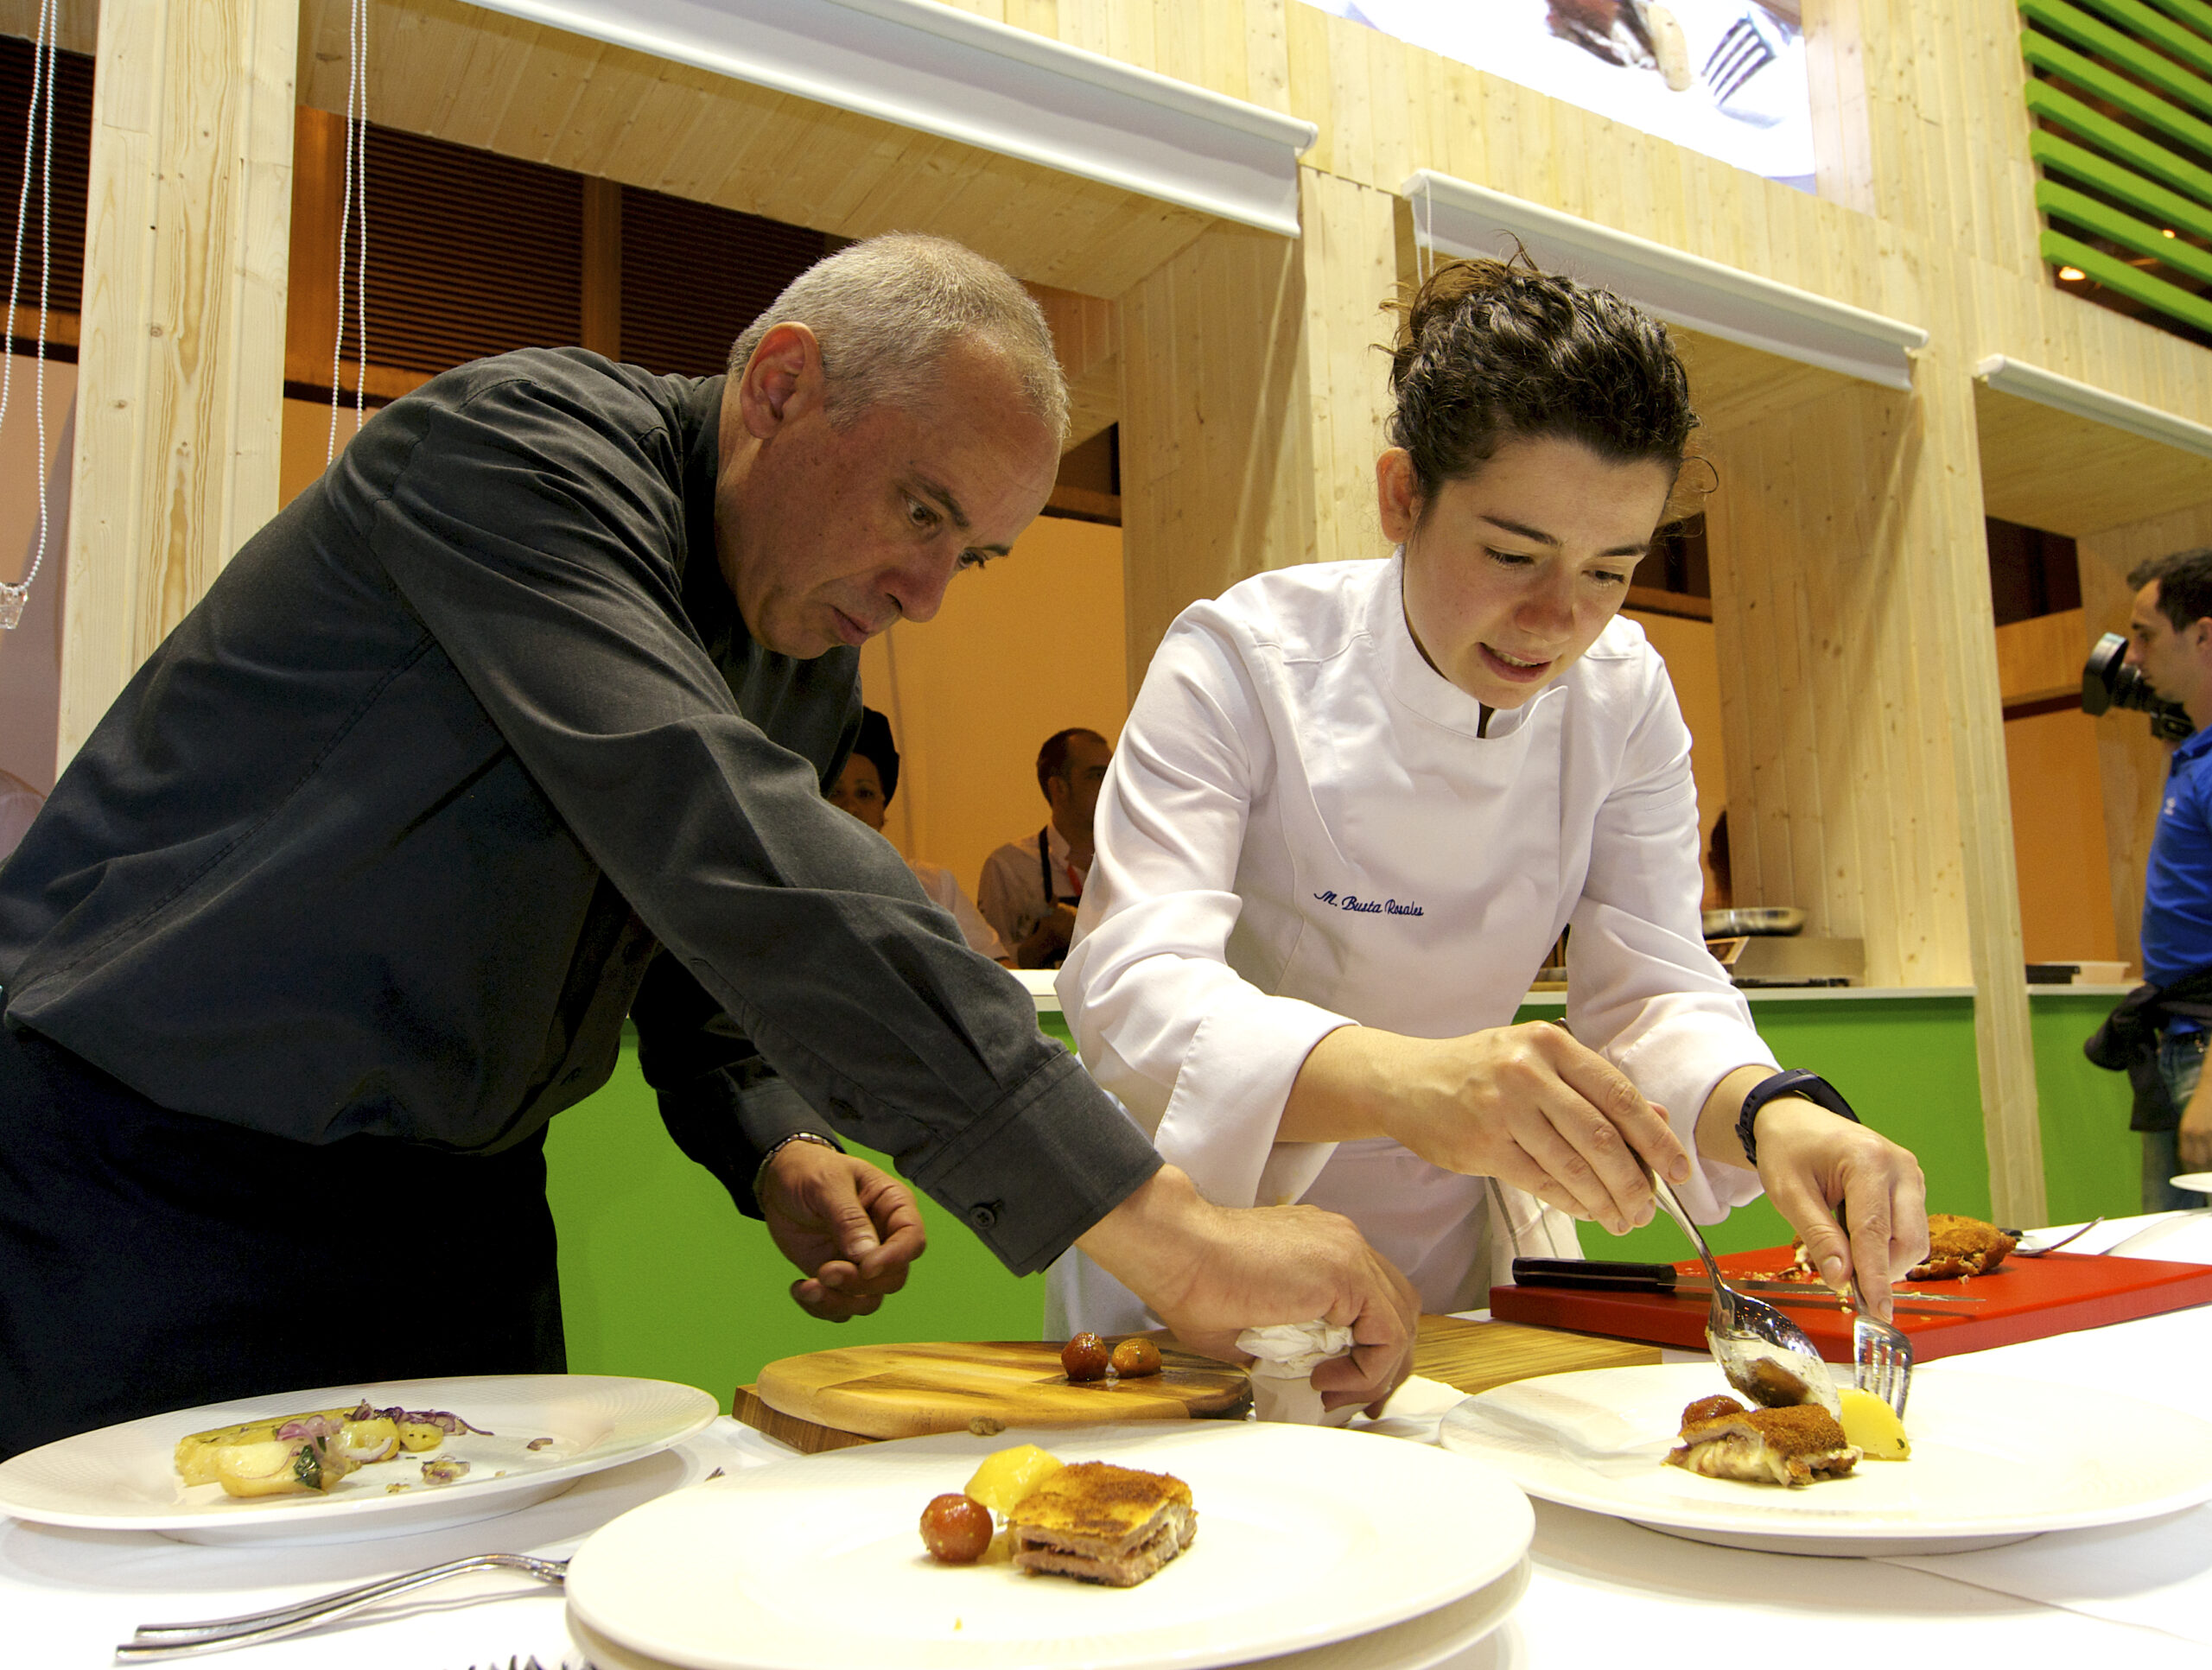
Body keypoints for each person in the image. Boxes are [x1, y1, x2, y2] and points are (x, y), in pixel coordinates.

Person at [0, 234, 1417, 1459]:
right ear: (781, 384)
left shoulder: (802, 657)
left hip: (461, 1205)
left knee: (484, 1606)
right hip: (143, 1163)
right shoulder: (513, 454)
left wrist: (773, 1132)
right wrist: (1171, 1233)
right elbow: (711, 826)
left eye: (969, 556)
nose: (926, 594)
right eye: (924, 512)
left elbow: (694, 947)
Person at [1052, 254, 1929, 1338]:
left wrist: (1770, 1110)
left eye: (1610, 570)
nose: (1557, 619)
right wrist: (1409, 1083)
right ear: (1401, 495)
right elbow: (1134, 991)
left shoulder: (1622, 695)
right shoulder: (1239, 662)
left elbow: (1653, 987)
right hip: (1209, 1239)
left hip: (1457, 1254)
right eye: (1514, 553)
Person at [2088, 549, 2212, 1210]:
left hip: (2206, 1049)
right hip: (2177, 1041)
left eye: (2146, 633)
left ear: (2203, 636)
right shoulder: (2194, 752)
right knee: (2171, 1264)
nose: (2131, 655)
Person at [828, 707, 1009, 962]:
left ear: (882, 811)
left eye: (865, 793)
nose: (851, 807)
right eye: (835, 793)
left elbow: (999, 968)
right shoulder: (793, 886)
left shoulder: (933, 885)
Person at [978, 727, 1111, 968]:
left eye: (1113, 773)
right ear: (1059, 788)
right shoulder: (1008, 867)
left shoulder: (1131, 861)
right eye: (1097, 775)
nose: (1112, 785)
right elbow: (990, 967)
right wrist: (1044, 940)